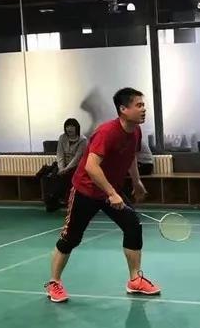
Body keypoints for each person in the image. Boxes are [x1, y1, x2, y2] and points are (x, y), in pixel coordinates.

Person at [44, 88, 161, 303]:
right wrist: (112, 193)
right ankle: (54, 282)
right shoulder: (107, 132)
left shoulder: (135, 131)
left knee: (133, 226)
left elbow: (131, 156)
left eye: (143, 105)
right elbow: (91, 166)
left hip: (109, 189)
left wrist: (136, 182)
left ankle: (135, 280)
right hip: (86, 190)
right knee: (71, 238)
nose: (144, 109)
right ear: (123, 109)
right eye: (139, 105)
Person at [43, 118, 87, 212]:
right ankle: (52, 202)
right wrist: (61, 168)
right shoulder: (62, 137)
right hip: (62, 165)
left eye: (72, 126)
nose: (69, 129)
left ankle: (70, 202)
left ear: (76, 128)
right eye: (67, 126)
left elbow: (78, 157)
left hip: (76, 166)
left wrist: (67, 169)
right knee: (53, 177)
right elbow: (60, 154)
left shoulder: (83, 140)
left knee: (69, 178)